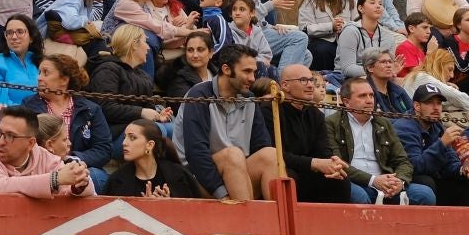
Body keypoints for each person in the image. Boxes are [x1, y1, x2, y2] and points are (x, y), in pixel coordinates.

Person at [177, 45, 278, 202]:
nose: (253, 78)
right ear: (226, 69)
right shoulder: (199, 95)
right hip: (198, 178)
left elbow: (261, 145)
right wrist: (223, 194)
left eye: (254, 72)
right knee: (233, 155)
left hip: (238, 175)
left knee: (270, 154)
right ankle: (247, 222)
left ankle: (277, 222)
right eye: (246, 71)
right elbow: (196, 153)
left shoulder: (249, 99)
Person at [327, 74, 435, 205]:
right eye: (362, 96)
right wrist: (373, 180)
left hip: (386, 182)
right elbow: (337, 164)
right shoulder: (332, 123)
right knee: (358, 196)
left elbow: (403, 161)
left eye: (371, 95)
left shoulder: (383, 123)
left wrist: (399, 182)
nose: (369, 100)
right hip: (354, 182)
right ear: (346, 101)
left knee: (425, 194)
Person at [22, 53, 113, 189]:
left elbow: (103, 148)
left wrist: (74, 159)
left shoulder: (90, 110)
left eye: (45, 73)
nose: (39, 78)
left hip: (79, 165)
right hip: (42, 167)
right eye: (39, 72)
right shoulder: (28, 106)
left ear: (64, 80)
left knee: (95, 176)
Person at [274, 62, 355, 203]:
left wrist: (332, 162)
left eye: (311, 80)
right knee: (290, 177)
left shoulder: (315, 114)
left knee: (339, 179)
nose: (310, 85)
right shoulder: (271, 111)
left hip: (308, 171)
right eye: (303, 80)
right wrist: (315, 163)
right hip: (284, 168)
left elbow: (323, 150)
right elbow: (273, 154)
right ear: (285, 85)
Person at [0, 105, 92, 198]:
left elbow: (72, 191)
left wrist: (78, 184)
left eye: (10, 136)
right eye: (0, 133)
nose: (1, 141)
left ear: (30, 143)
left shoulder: (46, 158)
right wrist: (54, 179)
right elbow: (0, 187)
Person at [104, 119, 203, 197]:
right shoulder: (116, 180)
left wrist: (170, 204)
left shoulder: (179, 175)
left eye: (132, 138)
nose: (124, 143)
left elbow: (196, 212)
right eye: (125, 137)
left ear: (150, 145)